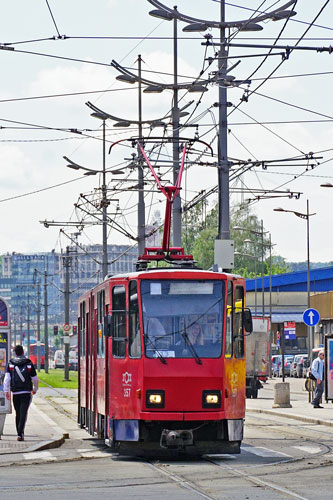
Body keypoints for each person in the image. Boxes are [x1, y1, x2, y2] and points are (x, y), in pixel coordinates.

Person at [3, 345, 38, 441]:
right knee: (23, 413)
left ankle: (19, 433)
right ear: (23, 352)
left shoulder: (11, 363)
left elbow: (7, 379)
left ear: (15, 353)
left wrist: (6, 391)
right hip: (26, 392)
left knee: (18, 413)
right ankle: (20, 433)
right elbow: (35, 378)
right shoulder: (29, 363)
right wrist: (35, 388)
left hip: (15, 393)